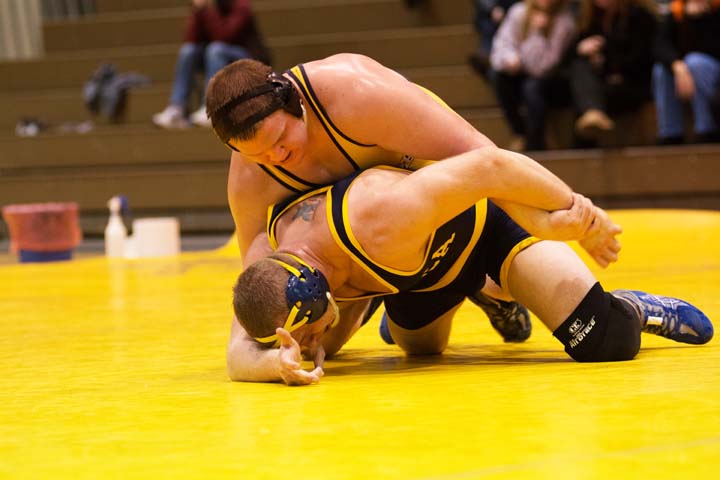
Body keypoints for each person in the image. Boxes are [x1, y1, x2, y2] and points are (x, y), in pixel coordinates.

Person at [227, 151, 713, 385]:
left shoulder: (377, 215)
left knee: (601, 340)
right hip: (418, 276)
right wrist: (276, 361)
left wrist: (572, 213)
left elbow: (488, 167)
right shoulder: (274, 271)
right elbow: (237, 354)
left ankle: (629, 306)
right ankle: (484, 293)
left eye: (305, 331)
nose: (309, 344)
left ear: (313, 295)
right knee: (421, 351)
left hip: (485, 234)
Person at [205, 53, 544, 344]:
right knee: (314, 342)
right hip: (349, 252)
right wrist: (255, 355)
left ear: (294, 101)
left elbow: (481, 154)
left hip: (424, 209)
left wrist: (541, 217)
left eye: (279, 138)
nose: (275, 157)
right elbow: (259, 279)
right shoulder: (248, 178)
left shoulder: (352, 90)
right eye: (258, 156)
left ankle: (484, 286)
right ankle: (388, 303)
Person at [153, 0, 270, 129]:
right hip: (214, 55)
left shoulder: (240, 5)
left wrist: (209, 10)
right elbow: (191, 39)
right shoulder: (206, 8)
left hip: (246, 56)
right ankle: (176, 108)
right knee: (188, 51)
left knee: (215, 49)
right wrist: (197, 12)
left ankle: (209, 108)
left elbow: (224, 36)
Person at [489, 0, 576, 150]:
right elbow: (501, 46)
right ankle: (520, 133)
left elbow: (543, 66)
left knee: (532, 87)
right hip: (519, 71)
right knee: (497, 76)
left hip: (550, 79)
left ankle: (535, 143)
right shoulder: (519, 11)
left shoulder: (564, 22)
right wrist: (510, 58)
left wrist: (538, 33)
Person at [569, 0, 657, 145]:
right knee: (580, 66)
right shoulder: (587, 18)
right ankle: (593, 114)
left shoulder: (639, 16)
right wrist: (579, 49)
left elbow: (644, 58)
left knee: (584, 94)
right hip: (600, 86)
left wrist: (605, 60)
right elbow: (565, 62)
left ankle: (592, 114)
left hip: (632, 83)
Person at [652, 0, 720, 144]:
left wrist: (700, 20)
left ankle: (707, 129)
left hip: (712, 69)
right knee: (661, 70)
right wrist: (678, 66)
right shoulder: (678, 11)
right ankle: (671, 134)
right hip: (685, 70)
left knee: (695, 62)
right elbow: (660, 45)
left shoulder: (715, 10)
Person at [469, 0, 521, 75]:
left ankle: (488, 54)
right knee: (484, 21)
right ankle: (486, 54)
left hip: (516, 6)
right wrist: (492, 8)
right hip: (493, 10)